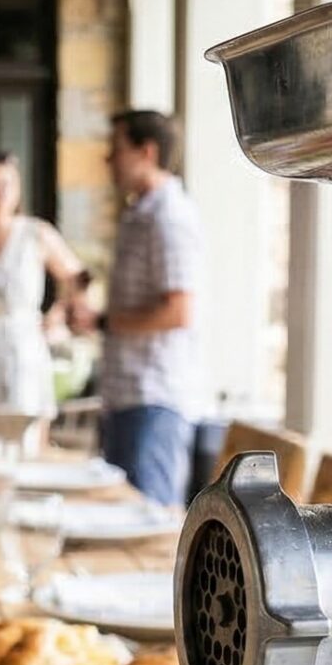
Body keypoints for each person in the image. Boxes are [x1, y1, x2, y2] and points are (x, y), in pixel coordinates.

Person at [80, 110, 205, 506]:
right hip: (127, 397)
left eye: (116, 150)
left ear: (146, 152)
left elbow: (179, 312)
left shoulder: (169, 218)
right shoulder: (141, 214)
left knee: (149, 526)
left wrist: (103, 321)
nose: (107, 159)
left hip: (153, 401)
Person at [0, 152, 85, 416]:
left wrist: (58, 314)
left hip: (20, 343)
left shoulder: (34, 233)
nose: (0, 193)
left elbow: (79, 278)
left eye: (8, 184)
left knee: (21, 420)